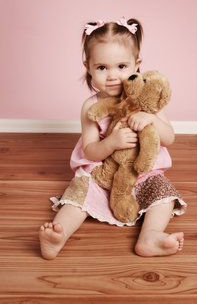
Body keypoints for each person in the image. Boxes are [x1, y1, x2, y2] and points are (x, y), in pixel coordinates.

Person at [39, 17, 187, 260]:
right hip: (102, 175)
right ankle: (59, 235)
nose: (112, 76)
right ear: (88, 67)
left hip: (142, 175)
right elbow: (89, 151)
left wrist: (149, 118)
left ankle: (150, 236)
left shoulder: (147, 99)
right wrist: (111, 143)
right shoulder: (91, 106)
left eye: (121, 66)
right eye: (102, 68)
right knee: (78, 193)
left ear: (136, 64)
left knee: (164, 193)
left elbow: (169, 138)